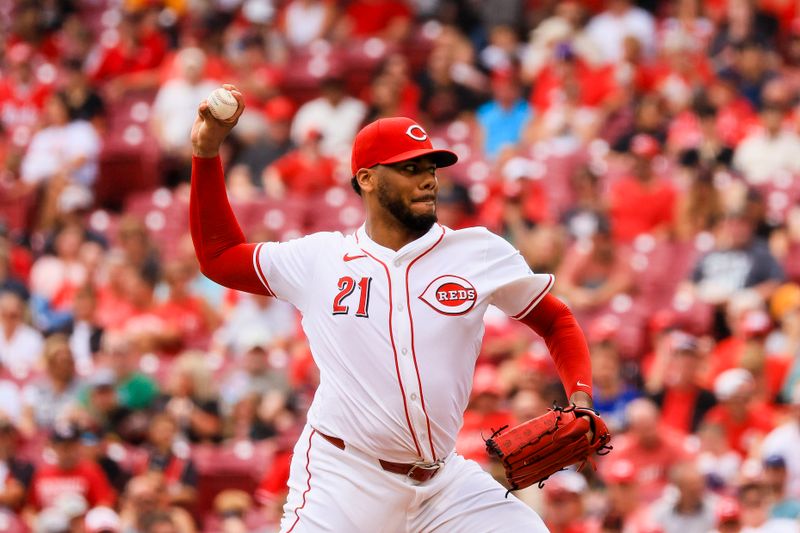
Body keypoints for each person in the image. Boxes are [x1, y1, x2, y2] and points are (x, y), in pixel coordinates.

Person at [190, 84, 598, 531]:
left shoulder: (479, 252)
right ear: (366, 178)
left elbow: (556, 319)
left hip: (442, 483)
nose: (428, 178)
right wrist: (207, 153)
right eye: (409, 168)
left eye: (431, 167)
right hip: (345, 478)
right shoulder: (320, 259)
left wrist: (579, 397)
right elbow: (219, 256)